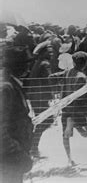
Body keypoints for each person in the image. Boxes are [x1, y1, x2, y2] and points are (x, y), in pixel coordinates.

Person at [1, 46, 34, 183]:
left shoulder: (13, 84)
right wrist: (17, 152)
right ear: (17, 66)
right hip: (8, 159)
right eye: (26, 64)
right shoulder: (6, 88)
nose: (28, 68)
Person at [54, 51, 87, 166]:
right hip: (77, 109)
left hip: (65, 107)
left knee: (65, 136)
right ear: (85, 64)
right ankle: (75, 123)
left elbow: (54, 77)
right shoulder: (81, 77)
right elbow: (81, 97)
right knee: (86, 133)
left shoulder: (67, 72)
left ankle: (69, 159)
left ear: (74, 62)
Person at [27, 41, 54, 158]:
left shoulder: (38, 63)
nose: (52, 53)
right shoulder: (45, 64)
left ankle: (32, 147)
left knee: (42, 121)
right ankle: (32, 147)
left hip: (35, 96)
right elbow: (49, 80)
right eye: (49, 51)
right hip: (41, 97)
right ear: (43, 53)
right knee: (46, 121)